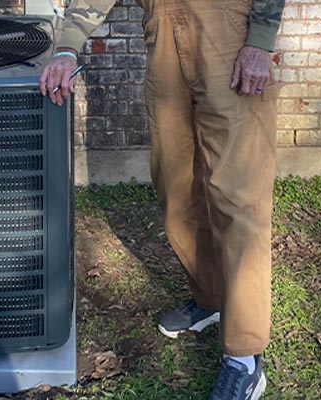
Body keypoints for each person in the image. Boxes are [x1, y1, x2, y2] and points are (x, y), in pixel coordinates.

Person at [39, 0, 285, 399]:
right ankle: (210, 299)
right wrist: (68, 45)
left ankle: (245, 357)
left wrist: (259, 41)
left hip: (228, 34)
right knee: (176, 191)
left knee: (238, 200)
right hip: (163, 37)